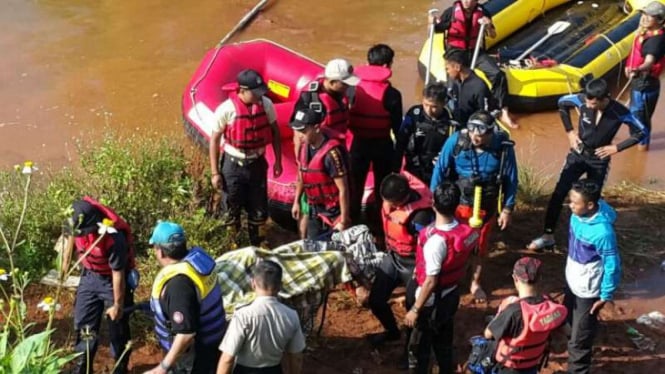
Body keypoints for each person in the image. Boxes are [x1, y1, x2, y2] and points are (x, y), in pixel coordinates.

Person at [528, 78, 648, 251]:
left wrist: (617, 147)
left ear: (604, 99)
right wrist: (569, 131)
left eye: (592, 103)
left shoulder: (619, 111)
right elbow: (561, 103)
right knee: (559, 193)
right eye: (587, 101)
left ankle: (589, 238)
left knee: (592, 200)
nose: (588, 105)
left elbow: (641, 132)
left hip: (599, 160)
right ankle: (548, 235)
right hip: (578, 154)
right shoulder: (581, 99)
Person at [430, 110, 518, 302]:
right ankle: (447, 278)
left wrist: (507, 208)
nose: (475, 138)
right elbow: (440, 169)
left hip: (486, 206)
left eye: (480, 135)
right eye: (472, 134)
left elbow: (512, 179)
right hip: (459, 204)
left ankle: (475, 282)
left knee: (480, 247)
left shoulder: (502, 147)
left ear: (490, 132)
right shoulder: (456, 141)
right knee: (453, 243)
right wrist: (435, 200)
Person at [403, 182, 479, 374]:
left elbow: (431, 281)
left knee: (420, 344)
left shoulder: (435, 241)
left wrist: (415, 309)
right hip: (451, 294)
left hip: (430, 299)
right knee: (444, 337)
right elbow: (471, 258)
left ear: (433, 204)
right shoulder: (467, 232)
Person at [209, 69, 283, 246]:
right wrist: (215, 173)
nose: (259, 96)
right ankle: (233, 243)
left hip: (257, 163)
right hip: (233, 166)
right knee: (231, 207)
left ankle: (258, 242)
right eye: (255, 93)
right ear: (241, 91)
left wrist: (278, 161)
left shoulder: (266, 105)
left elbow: (275, 131)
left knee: (259, 208)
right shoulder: (226, 110)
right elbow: (214, 139)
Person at [145, 221, 226, 374]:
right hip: (213, 342)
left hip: (194, 354)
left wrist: (162, 367)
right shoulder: (197, 263)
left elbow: (186, 334)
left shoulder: (178, 285)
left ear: (161, 252)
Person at [68, 197, 136, 374]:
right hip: (89, 277)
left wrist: (117, 305)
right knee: (85, 325)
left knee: (117, 327)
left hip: (111, 281)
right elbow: (68, 237)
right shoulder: (74, 220)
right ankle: (82, 368)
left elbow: (118, 273)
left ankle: (120, 367)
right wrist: (63, 267)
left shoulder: (114, 237)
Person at [367, 173, 434, 347]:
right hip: (394, 257)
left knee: (413, 311)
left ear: (402, 199)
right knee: (376, 300)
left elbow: (429, 248)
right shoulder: (392, 197)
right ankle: (392, 332)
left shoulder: (421, 217)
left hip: (414, 263)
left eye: (392, 203)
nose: (387, 205)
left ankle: (411, 351)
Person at [563, 179, 621, 374]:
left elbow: (612, 265)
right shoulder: (577, 215)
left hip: (588, 290)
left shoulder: (603, 232)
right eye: (570, 200)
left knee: (580, 340)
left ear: (590, 205)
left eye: (574, 202)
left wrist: (605, 295)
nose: (570, 205)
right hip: (572, 279)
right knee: (569, 323)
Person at [430, 0, 518, 128]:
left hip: (475, 51)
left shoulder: (483, 12)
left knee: (498, 74)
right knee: (453, 79)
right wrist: (431, 23)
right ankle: (450, 112)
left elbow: (493, 35)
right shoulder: (451, 13)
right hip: (456, 52)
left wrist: (488, 26)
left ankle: (503, 111)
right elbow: (435, 30)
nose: (467, 1)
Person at [217, 260, 306, 374]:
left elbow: (227, 359)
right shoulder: (291, 315)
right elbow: (296, 357)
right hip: (274, 370)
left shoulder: (243, 315)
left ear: (253, 283)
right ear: (280, 286)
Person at [348, 44, 403, 223]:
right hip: (382, 145)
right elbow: (397, 128)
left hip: (358, 144)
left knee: (354, 186)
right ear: (387, 66)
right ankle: (381, 225)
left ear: (367, 63)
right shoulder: (393, 94)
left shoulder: (354, 89)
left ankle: (352, 222)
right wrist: (399, 156)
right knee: (383, 187)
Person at [483, 257, 567, 374]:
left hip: (508, 367)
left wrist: (500, 313)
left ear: (515, 279)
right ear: (540, 278)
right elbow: (567, 331)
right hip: (531, 365)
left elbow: (488, 334)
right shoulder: (551, 306)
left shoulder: (513, 311)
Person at [291, 107, 351, 240]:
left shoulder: (331, 154)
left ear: (317, 128)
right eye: (298, 131)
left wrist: (344, 219)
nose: (299, 135)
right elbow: (302, 176)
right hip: (315, 209)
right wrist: (297, 201)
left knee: (334, 250)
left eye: (303, 131)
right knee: (313, 245)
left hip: (333, 211)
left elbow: (343, 188)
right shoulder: (304, 148)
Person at [394, 82, 456, 185]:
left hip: (437, 168)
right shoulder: (414, 114)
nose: (428, 110)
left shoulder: (451, 121)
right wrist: (395, 168)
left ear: (443, 103)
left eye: (434, 106)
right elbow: (401, 141)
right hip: (414, 165)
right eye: (426, 104)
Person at [625, 1, 665, 151]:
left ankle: (641, 151)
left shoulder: (656, 41)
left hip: (645, 84)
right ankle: (639, 146)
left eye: (650, 16)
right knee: (637, 116)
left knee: (639, 119)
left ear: (660, 20)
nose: (645, 18)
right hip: (640, 82)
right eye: (644, 14)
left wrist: (636, 69)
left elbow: (649, 61)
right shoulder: (647, 33)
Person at [292, 58, 359, 144]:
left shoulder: (341, 92)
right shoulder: (310, 99)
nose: (349, 86)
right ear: (332, 82)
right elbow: (298, 133)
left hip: (340, 143)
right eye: (345, 84)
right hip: (323, 147)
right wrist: (299, 157)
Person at [444, 49, 497, 127]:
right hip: (454, 122)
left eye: (447, 69)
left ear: (457, 67)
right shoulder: (453, 80)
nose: (447, 72)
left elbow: (484, 116)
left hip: (471, 128)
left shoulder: (479, 87)